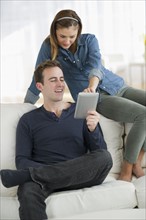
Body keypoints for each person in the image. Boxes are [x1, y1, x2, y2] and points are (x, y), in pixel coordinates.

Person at [24, 9, 146, 182]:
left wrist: (92, 84)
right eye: (62, 36)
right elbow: (39, 75)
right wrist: (25, 106)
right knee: (143, 115)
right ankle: (127, 168)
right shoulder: (48, 47)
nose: (67, 41)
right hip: (97, 99)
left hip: (117, 86)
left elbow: (95, 65)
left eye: (72, 36)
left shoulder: (90, 40)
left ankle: (137, 160)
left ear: (78, 31)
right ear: (54, 32)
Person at [0, 60, 112, 220]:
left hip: (79, 175)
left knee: (105, 158)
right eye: (53, 80)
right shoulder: (28, 120)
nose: (60, 84)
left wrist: (93, 129)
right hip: (42, 182)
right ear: (40, 86)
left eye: (61, 79)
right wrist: (50, 173)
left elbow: (100, 152)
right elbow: (22, 162)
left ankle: (40, 175)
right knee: (27, 190)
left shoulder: (80, 111)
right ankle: (43, 176)